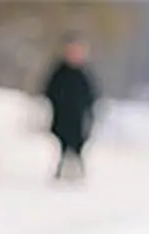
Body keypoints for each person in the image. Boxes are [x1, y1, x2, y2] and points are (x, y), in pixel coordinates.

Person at [42, 35, 99, 181]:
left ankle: (79, 171)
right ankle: (61, 170)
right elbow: (49, 91)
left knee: (78, 144)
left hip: (78, 117)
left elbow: (91, 96)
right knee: (63, 143)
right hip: (62, 115)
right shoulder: (59, 72)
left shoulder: (83, 75)